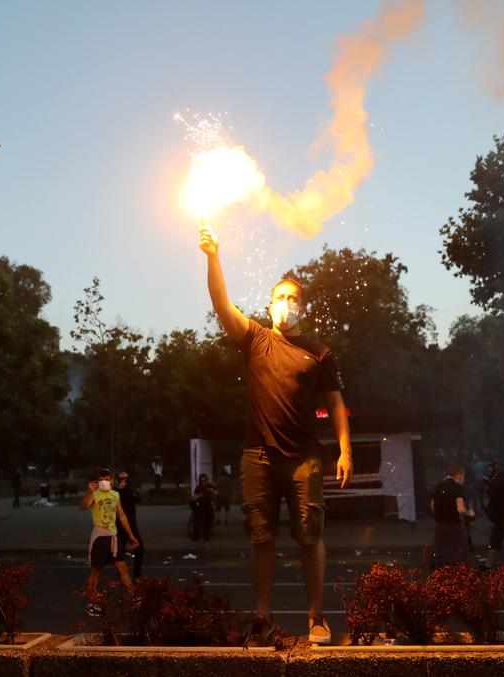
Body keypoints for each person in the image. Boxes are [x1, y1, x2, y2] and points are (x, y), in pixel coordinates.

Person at [198, 224, 353, 646]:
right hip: (258, 456)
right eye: (280, 297)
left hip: (305, 457)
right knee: (262, 538)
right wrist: (214, 256)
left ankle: (317, 617)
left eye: (294, 298)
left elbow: (336, 402)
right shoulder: (255, 338)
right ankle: (262, 617)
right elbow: (219, 302)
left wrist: (344, 449)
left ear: (303, 307)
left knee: (310, 538)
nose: (287, 304)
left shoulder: (320, 352)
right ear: (269, 305)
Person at [79, 468, 139, 614]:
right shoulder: (94, 494)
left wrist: (131, 535)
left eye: (107, 479)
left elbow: (122, 515)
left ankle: (133, 600)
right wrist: (89, 492)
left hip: (114, 536)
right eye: (101, 479)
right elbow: (83, 507)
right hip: (100, 537)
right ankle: (91, 604)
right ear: (97, 481)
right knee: (96, 571)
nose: (105, 482)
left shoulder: (115, 495)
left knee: (122, 569)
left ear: (111, 480)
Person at [430, 465, 473, 567]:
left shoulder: (439, 485)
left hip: (440, 524)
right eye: (463, 475)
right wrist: (469, 513)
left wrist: (439, 514)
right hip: (454, 524)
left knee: (440, 551)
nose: (463, 478)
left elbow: (432, 504)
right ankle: (458, 575)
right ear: (459, 475)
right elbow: (460, 509)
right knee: (460, 550)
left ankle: (440, 575)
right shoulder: (457, 488)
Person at [116, 470, 144, 579]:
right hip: (119, 525)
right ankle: (122, 574)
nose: (124, 481)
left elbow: (139, 499)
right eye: (121, 479)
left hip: (131, 524)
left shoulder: (131, 490)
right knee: (120, 551)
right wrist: (119, 489)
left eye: (126, 479)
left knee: (140, 549)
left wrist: (132, 490)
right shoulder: (115, 492)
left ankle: (137, 573)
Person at [190, 473, 217, 545]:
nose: (203, 482)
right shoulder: (198, 488)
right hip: (200, 506)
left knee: (207, 524)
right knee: (197, 524)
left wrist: (212, 491)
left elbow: (216, 493)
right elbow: (193, 498)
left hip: (208, 506)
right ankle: (193, 540)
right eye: (202, 481)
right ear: (200, 481)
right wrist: (200, 495)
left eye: (205, 480)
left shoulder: (210, 486)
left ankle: (207, 540)